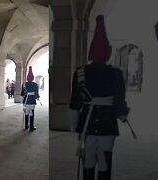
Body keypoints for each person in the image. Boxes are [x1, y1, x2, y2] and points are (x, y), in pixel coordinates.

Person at [69, 15, 129, 180]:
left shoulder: (80, 72)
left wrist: (75, 126)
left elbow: (75, 103)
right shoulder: (116, 74)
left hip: (86, 124)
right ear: (107, 53)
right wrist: (122, 114)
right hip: (108, 124)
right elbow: (119, 101)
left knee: (88, 161)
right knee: (104, 161)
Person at [21, 66, 40, 131]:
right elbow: (36, 93)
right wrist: (37, 97)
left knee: (26, 112)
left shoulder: (24, 84)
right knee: (32, 112)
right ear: (32, 78)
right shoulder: (35, 84)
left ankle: (26, 126)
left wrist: (22, 102)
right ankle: (31, 126)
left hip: (25, 100)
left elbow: (22, 94)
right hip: (32, 100)